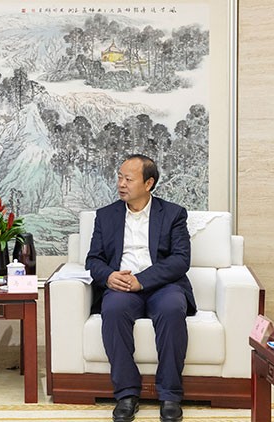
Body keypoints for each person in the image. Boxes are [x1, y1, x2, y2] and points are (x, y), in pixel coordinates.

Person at [85, 154, 196, 422]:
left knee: (172, 309)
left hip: (162, 285)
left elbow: (181, 260)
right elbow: (94, 260)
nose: (121, 184)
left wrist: (142, 279)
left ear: (148, 183)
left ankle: (170, 395)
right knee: (112, 309)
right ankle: (126, 394)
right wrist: (109, 276)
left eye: (128, 179)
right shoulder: (106, 216)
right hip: (122, 286)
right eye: (119, 177)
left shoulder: (173, 214)